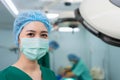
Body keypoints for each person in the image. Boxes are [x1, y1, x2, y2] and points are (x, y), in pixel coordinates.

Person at [0, 10, 57, 80]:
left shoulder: (50, 74)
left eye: (43, 35)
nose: (38, 40)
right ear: (18, 38)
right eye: (30, 34)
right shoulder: (4, 77)